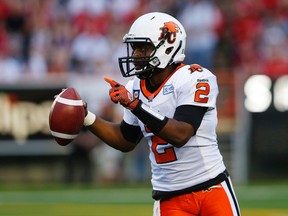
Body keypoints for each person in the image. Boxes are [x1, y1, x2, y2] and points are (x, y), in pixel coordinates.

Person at [82, 12, 241, 216]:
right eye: (134, 48)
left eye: (143, 47)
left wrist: (135, 105)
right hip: (170, 197)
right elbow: (125, 139)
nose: (136, 55)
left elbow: (181, 134)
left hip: (211, 188)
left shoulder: (194, 78)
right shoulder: (135, 87)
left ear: (167, 46)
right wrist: (87, 117)